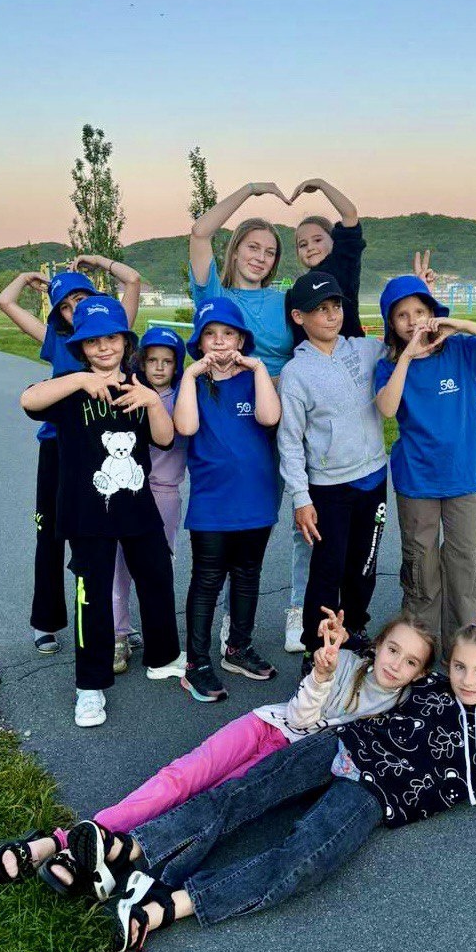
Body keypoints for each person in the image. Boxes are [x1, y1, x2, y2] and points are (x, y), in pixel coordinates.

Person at [76, 624, 476, 952]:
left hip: (373, 797)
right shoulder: (429, 685)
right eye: (460, 666)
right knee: (242, 795)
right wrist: (340, 635)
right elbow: (381, 650)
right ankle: (129, 848)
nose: (467, 679)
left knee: (304, 859)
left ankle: (163, 908)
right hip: (341, 744)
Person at [0, 611, 437, 897]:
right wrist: (321, 676)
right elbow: (299, 718)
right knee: (179, 778)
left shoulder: (404, 706)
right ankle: (62, 842)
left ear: (420, 674)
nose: (395, 664)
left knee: (206, 807)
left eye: (410, 662)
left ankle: (88, 854)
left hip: (286, 765)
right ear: (378, 644)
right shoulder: (344, 662)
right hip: (266, 726)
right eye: (393, 649)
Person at [20, 295, 182, 727]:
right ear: (81, 347)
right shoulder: (70, 387)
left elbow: (165, 439)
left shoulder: (138, 386)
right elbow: (28, 401)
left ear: (126, 342)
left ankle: (164, 656)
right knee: (91, 599)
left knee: (157, 577)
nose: (104, 347)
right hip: (86, 513)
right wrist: (78, 380)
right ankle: (89, 687)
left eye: (112, 338)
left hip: (138, 506)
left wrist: (152, 401)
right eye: (93, 341)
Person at [0, 256, 142, 656]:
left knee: (107, 537)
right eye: (65, 305)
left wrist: (97, 261)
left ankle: (116, 622)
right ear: (58, 314)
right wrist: (25, 277)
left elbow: (132, 280)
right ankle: (46, 621)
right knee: (50, 534)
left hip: (103, 446)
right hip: (58, 447)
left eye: (81, 298)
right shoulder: (55, 339)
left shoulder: (110, 331)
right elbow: (6, 302)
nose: (74, 308)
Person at [189, 181, 307, 656]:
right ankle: (229, 621)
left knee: (296, 514)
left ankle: (299, 610)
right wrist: (251, 191)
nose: (261, 257)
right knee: (238, 522)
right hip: (234, 416)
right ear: (235, 250)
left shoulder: (284, 300)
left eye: (270, 251)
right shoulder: (215, 295)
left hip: (285, 414)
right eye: (253, 247)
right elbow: (200, 233)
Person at [374, 274, 476, 653]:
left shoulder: (462, 351)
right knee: (421, 565)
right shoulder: (389, 365)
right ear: (391, 324)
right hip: (416, 479)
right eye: (402, 315)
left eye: (419, 311)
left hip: (464, 477)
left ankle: (463, 651)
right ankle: (420, 651)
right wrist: (407, 357)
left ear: (433, 313)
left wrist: (461, 324)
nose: (412, 321)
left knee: (466, 564)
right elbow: (387, 408)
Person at [278, 271, 388, 674]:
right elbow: (290, 441)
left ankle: (353, 630)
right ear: (299, 316)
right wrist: (301, 498)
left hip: (374, 480)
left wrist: (420, 296)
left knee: (364, 567)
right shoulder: (296, 373)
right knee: (328, 572)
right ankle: (316, 648)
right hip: (329, 490)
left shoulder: (365, 349)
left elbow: (405, 344)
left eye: (336, 306)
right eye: (320, 309)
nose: (331, 315)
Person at [173, 298, 281, 701]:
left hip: (256, 500)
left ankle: (238, 647)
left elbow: (269, 417)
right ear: (200, 343)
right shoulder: (194, 383)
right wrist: (190, 375)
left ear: (240, 340)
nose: (219, 341)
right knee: (207, 581)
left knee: (248, 575)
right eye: (210, 334)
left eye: (228, 333)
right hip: (212, 504)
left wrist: (258, 368)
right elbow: (186, 426)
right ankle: (197, 663)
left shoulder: (254, 378)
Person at [112, 326, 187, 674]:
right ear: (141, 361)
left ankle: (159, 638)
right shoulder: (129, 393)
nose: (159, 367)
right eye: (152, 359)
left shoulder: (184, 397)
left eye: (167, 361)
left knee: (158, 571)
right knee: (119, 568)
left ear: (177, 365)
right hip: (128, 493)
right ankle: (118, 634)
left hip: (165, 494)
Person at [287, 178, 366, 342]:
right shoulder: (299, 288)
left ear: (334, 241)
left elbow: (350, 214)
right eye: (303, 244)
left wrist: (321, 184)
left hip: (352, 350)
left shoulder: (342, 263)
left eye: (317, 240)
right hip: (315, 355)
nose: (310, 247)